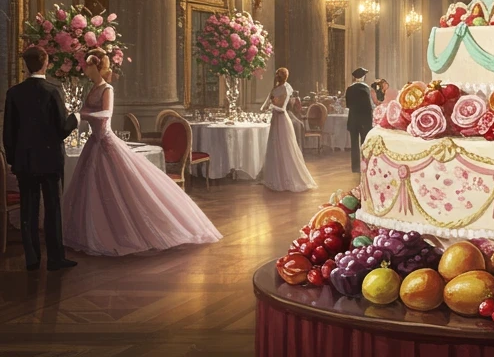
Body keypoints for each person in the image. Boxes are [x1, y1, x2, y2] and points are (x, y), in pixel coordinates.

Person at [62, 50, 222, 256]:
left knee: (121, 190)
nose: (85, 68)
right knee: (91, 190)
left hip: (106, 142)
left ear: (97, 66)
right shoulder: (93, 89)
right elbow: (87, 113)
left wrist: (82, 114)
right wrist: (79, 115)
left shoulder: (107, 89)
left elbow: (106, 114)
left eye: (88, 65)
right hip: (94, 144)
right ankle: (92, 233)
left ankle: (117, 234)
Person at [3, 46, 80, 271]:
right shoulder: (53, 91)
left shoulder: (14, 93)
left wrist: (12, 160)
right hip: (50, 160)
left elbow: (8, 132)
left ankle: (32, 258)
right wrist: (74, 118)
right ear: (45, 62)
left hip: (24, 162)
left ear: (25, 65)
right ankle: (55, 258)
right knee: (53, 208)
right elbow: (61, 129)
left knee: (28, 209)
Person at [260, 68, 316, 192]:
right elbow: (266, 104)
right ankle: (276, 178)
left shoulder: (285, 89)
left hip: (282, 120)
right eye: (277, 75)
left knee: (285, 148)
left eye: (279, 75)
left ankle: (287, 178)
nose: (277, 77)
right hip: (275, 120)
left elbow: (281, 107)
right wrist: (266, 106)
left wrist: (271, 105)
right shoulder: (274, 89)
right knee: (275, 147)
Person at [345, 67, 375, 173]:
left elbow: (348, 104)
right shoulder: (365, 88)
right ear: (363, 77)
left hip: (353, 119)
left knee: (354, 144)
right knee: (364, 143)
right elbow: (368, 106)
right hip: (364, 120)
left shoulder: (349, 89)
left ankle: (355, 167)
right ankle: (365, 165)